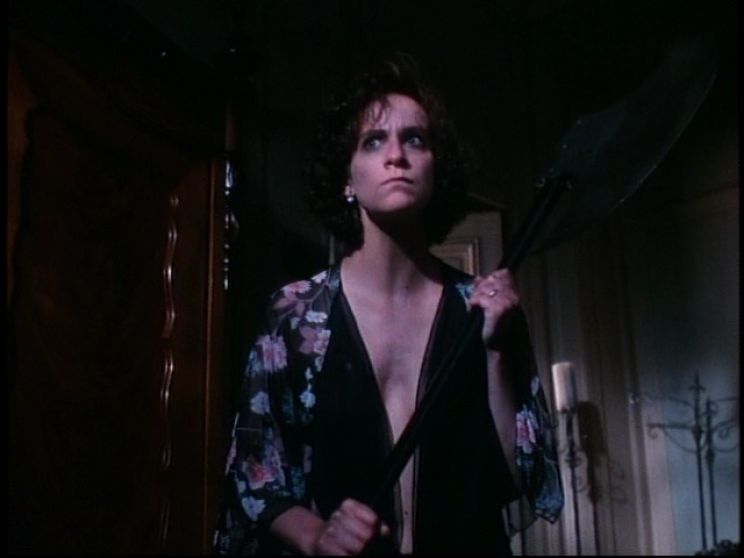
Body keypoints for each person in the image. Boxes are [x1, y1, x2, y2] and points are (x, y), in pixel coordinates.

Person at [214, 55, 563, 556]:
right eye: (373, 141)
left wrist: (494, 352)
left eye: (415, 140)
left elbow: (521, 476)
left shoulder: (484, 308)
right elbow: (253, 475)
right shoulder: (295, 314)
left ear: (436, 168)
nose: (396, 155)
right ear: (346, 178)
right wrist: (317, 535)